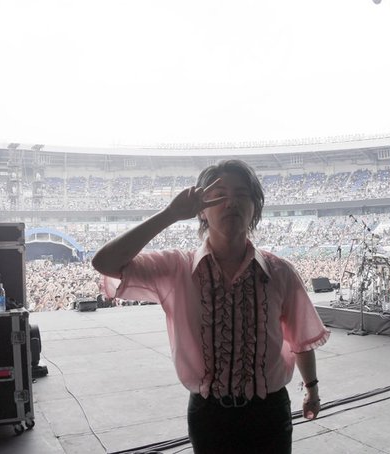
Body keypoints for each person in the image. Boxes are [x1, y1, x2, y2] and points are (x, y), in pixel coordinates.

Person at [92, 160, 330, 453]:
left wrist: (312, 389)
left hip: (269, 412)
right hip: (209, 416)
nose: (232, 202)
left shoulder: (279, 272)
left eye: (242, 194)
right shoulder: (177, 269)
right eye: (219, 196)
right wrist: (170, 214)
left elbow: (300, 339)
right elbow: (104, 262)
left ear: (255, 207)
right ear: (201, 210)